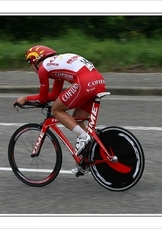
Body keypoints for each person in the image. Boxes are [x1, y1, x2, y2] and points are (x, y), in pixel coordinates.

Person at [14, 45, 106, 174]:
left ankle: (83, 136)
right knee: (77, 121)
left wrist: (26, 98)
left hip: (84, 83)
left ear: (36, 59)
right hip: (99, 82)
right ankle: (88, 160)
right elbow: (54, 95)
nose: (30, 67)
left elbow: (42, 99)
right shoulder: (55, 63)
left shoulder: (44, 68)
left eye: (30, 62)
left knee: (56, 110)